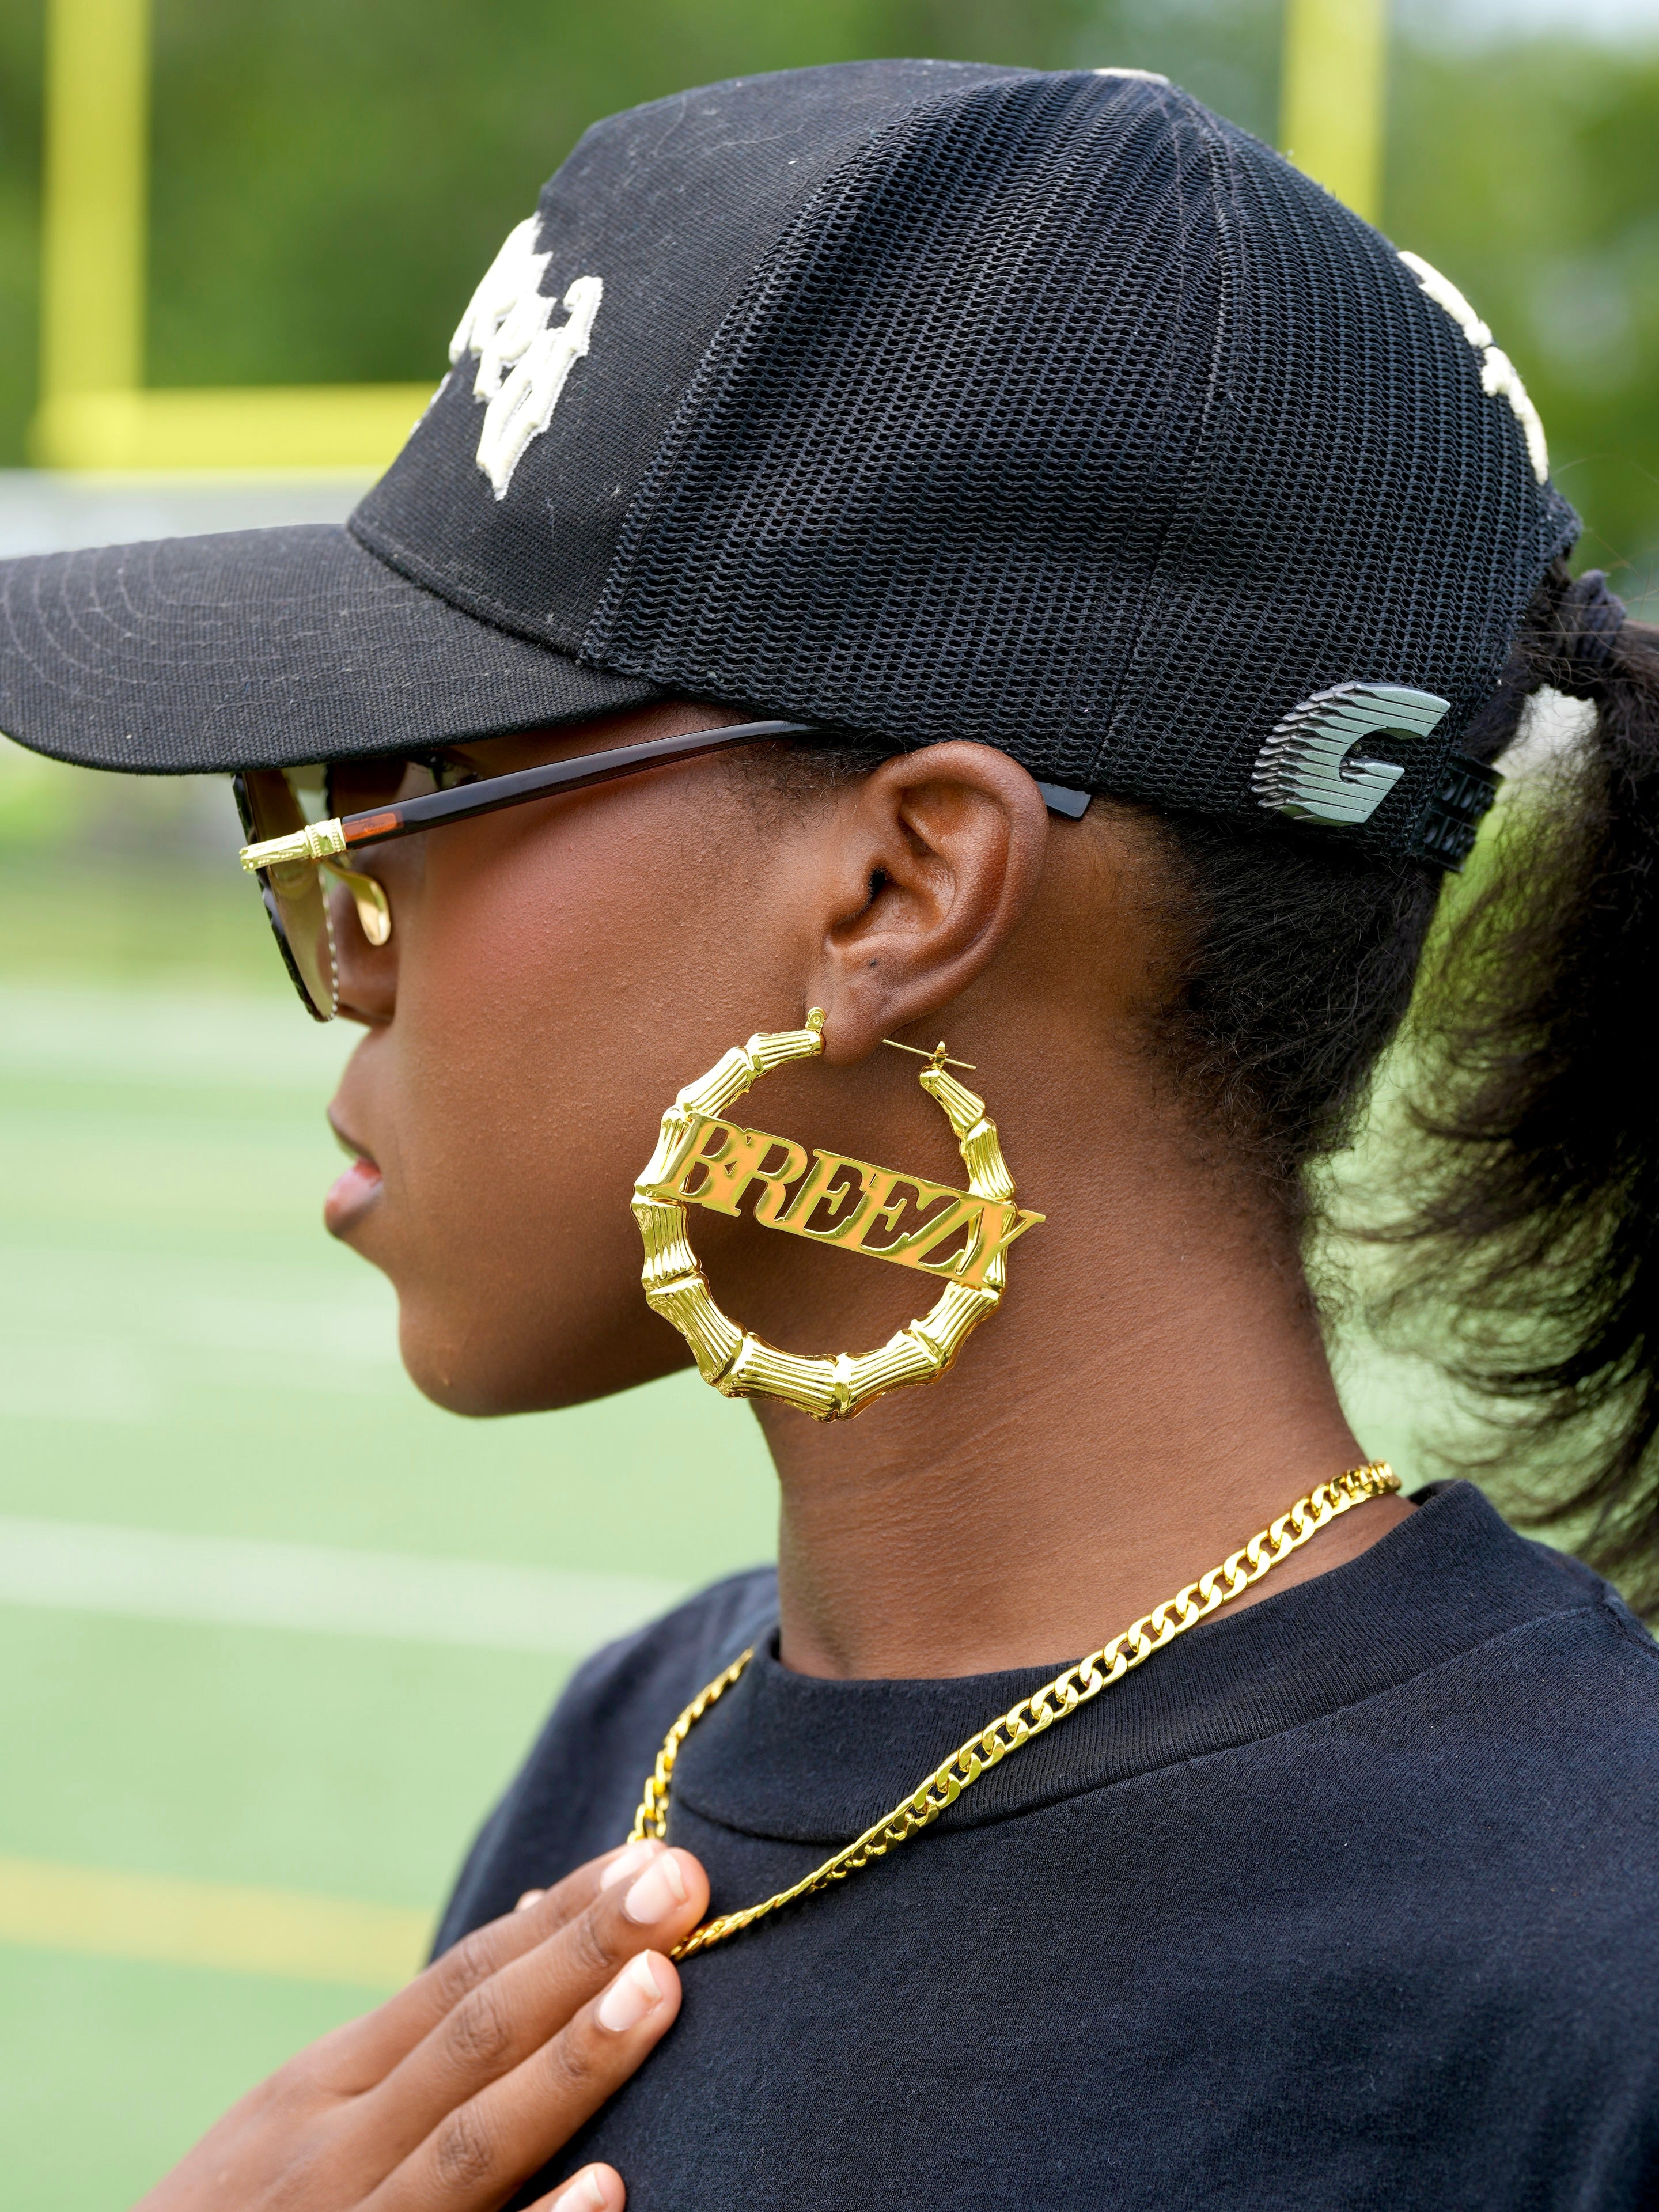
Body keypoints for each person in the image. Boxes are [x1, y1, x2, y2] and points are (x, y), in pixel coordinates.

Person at [3, 56, 1657, 2212]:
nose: (350, 929)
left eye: (410, 790)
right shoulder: (639, 1748)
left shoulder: (1591, 1971)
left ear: (898, 893)